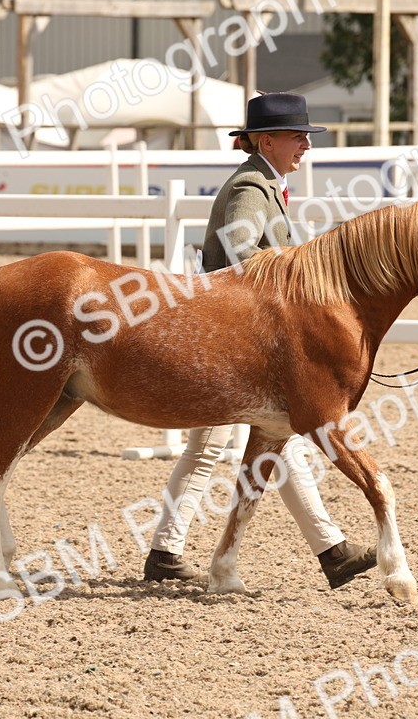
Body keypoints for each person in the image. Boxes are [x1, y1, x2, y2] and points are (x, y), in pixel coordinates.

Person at [143, 92, 377, 590]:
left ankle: (166, 551)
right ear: (266, 140)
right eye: (298, 137)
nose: (305, 147)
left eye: (306, 139)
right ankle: (331, 550)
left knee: (243, 443)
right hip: (234, 341)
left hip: (236, 338)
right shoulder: (252, 185)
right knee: (266, 438)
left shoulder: (268, 184)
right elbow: (239, 256)